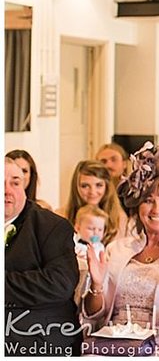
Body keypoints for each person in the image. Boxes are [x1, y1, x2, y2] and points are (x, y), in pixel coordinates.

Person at [81, 170, 159, 354]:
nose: (156, 209)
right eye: (148, 200)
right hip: (114, 343)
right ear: (138, 206)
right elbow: (95, 314)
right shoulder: (116, 249)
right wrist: (97, 285)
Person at [5, 152, 81, 357]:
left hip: (37, 336)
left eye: (15, 183)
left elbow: (60, 283)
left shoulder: (51, 226)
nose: (7, 191)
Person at [66, 159, 128, 244]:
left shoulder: (119, 219)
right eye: (85, 186)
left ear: (107, 187)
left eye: (99, 185)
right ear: (76, 187)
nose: (92, 192)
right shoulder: (62, 216)